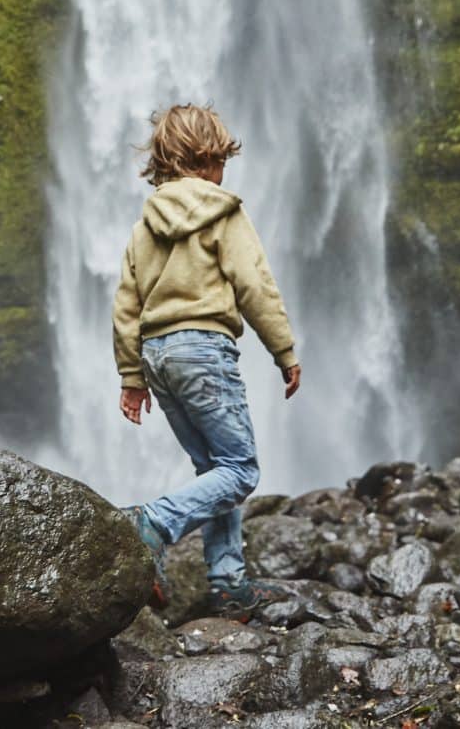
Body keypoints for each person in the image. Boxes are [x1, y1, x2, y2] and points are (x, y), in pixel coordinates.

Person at [112, 102, 302, 620]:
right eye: (222, 159)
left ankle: (228, 583)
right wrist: (283, 351)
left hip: (156, 356)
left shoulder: (143, 225)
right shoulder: (224, 211)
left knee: (213, 469)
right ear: (210, 159)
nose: (225, 171)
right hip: (202, 349)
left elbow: (127, 305)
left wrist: (132, 378)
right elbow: (254, 286)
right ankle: (153, 523)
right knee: (240, 471)